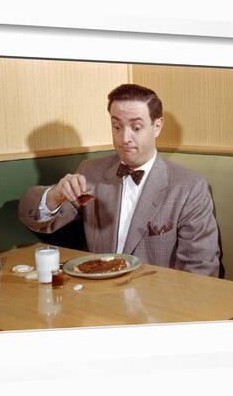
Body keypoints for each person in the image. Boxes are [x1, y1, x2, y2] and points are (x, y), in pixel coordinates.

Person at [18, 84, 220, 277]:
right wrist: (55, 196)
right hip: (96, 296)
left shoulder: (190, 188)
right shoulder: (90, 172)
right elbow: (34, 218)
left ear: (157, 126)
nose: (124, 138)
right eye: (117, 126)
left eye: (136, 127)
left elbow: (201, 270)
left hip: (157, 303)